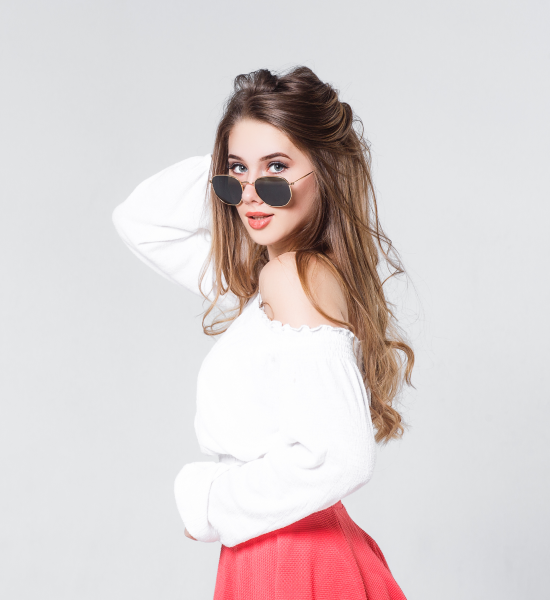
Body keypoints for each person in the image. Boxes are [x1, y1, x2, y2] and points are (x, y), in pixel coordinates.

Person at [112, 66, 414, 599]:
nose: (252, 195)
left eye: (277, 167)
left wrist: (212, 502)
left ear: (325, 171)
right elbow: (141, 220)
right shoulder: (268, 281)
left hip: (290, 557)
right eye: (236, 172)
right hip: (280, 547)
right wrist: (238, 158)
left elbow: (342, 456)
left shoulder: (291, 277)